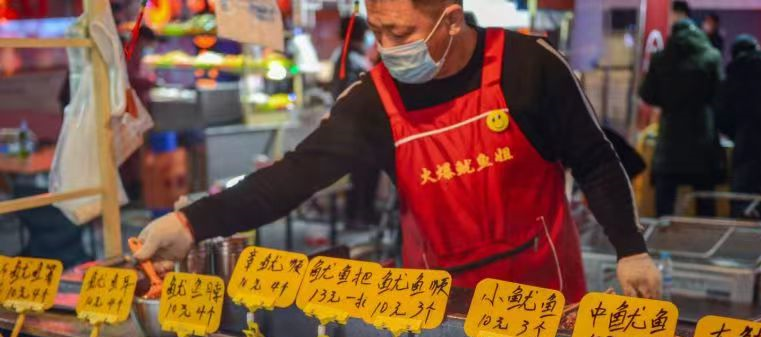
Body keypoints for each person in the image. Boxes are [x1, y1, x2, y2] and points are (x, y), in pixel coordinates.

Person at [135, 0, 661, 300]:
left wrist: (630, 248)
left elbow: (595, 161)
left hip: (542, 297)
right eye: (377, 31)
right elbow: (293, 177)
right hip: (435, 305)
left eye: (400, 31)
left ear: (451, 19)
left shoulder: (531, 67)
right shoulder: (372, 101)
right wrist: (188, 225)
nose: (386, 46)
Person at [639, 0, 724, 218]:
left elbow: (647, 93)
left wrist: (668, 100)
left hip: (671, 138)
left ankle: (661, 245)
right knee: (704, 200)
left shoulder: (661, 59)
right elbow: (720, 96)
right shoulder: (712, 57)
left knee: (664, 203)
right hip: (702, 137)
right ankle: (706, 246)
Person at [715, 35, 761, 227]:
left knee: (742, 198)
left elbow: (721, 115)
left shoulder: (734, 77)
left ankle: (739, 240)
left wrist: (738, 133)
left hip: (746, 146)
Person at [331, 15, 381, 227]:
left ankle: (360, 214)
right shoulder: (349, 59)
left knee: (362, 175)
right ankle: (359, 215)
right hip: (359, 129)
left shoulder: (347, 56)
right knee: (363, 175)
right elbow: (353, 94)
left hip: (357, 127)